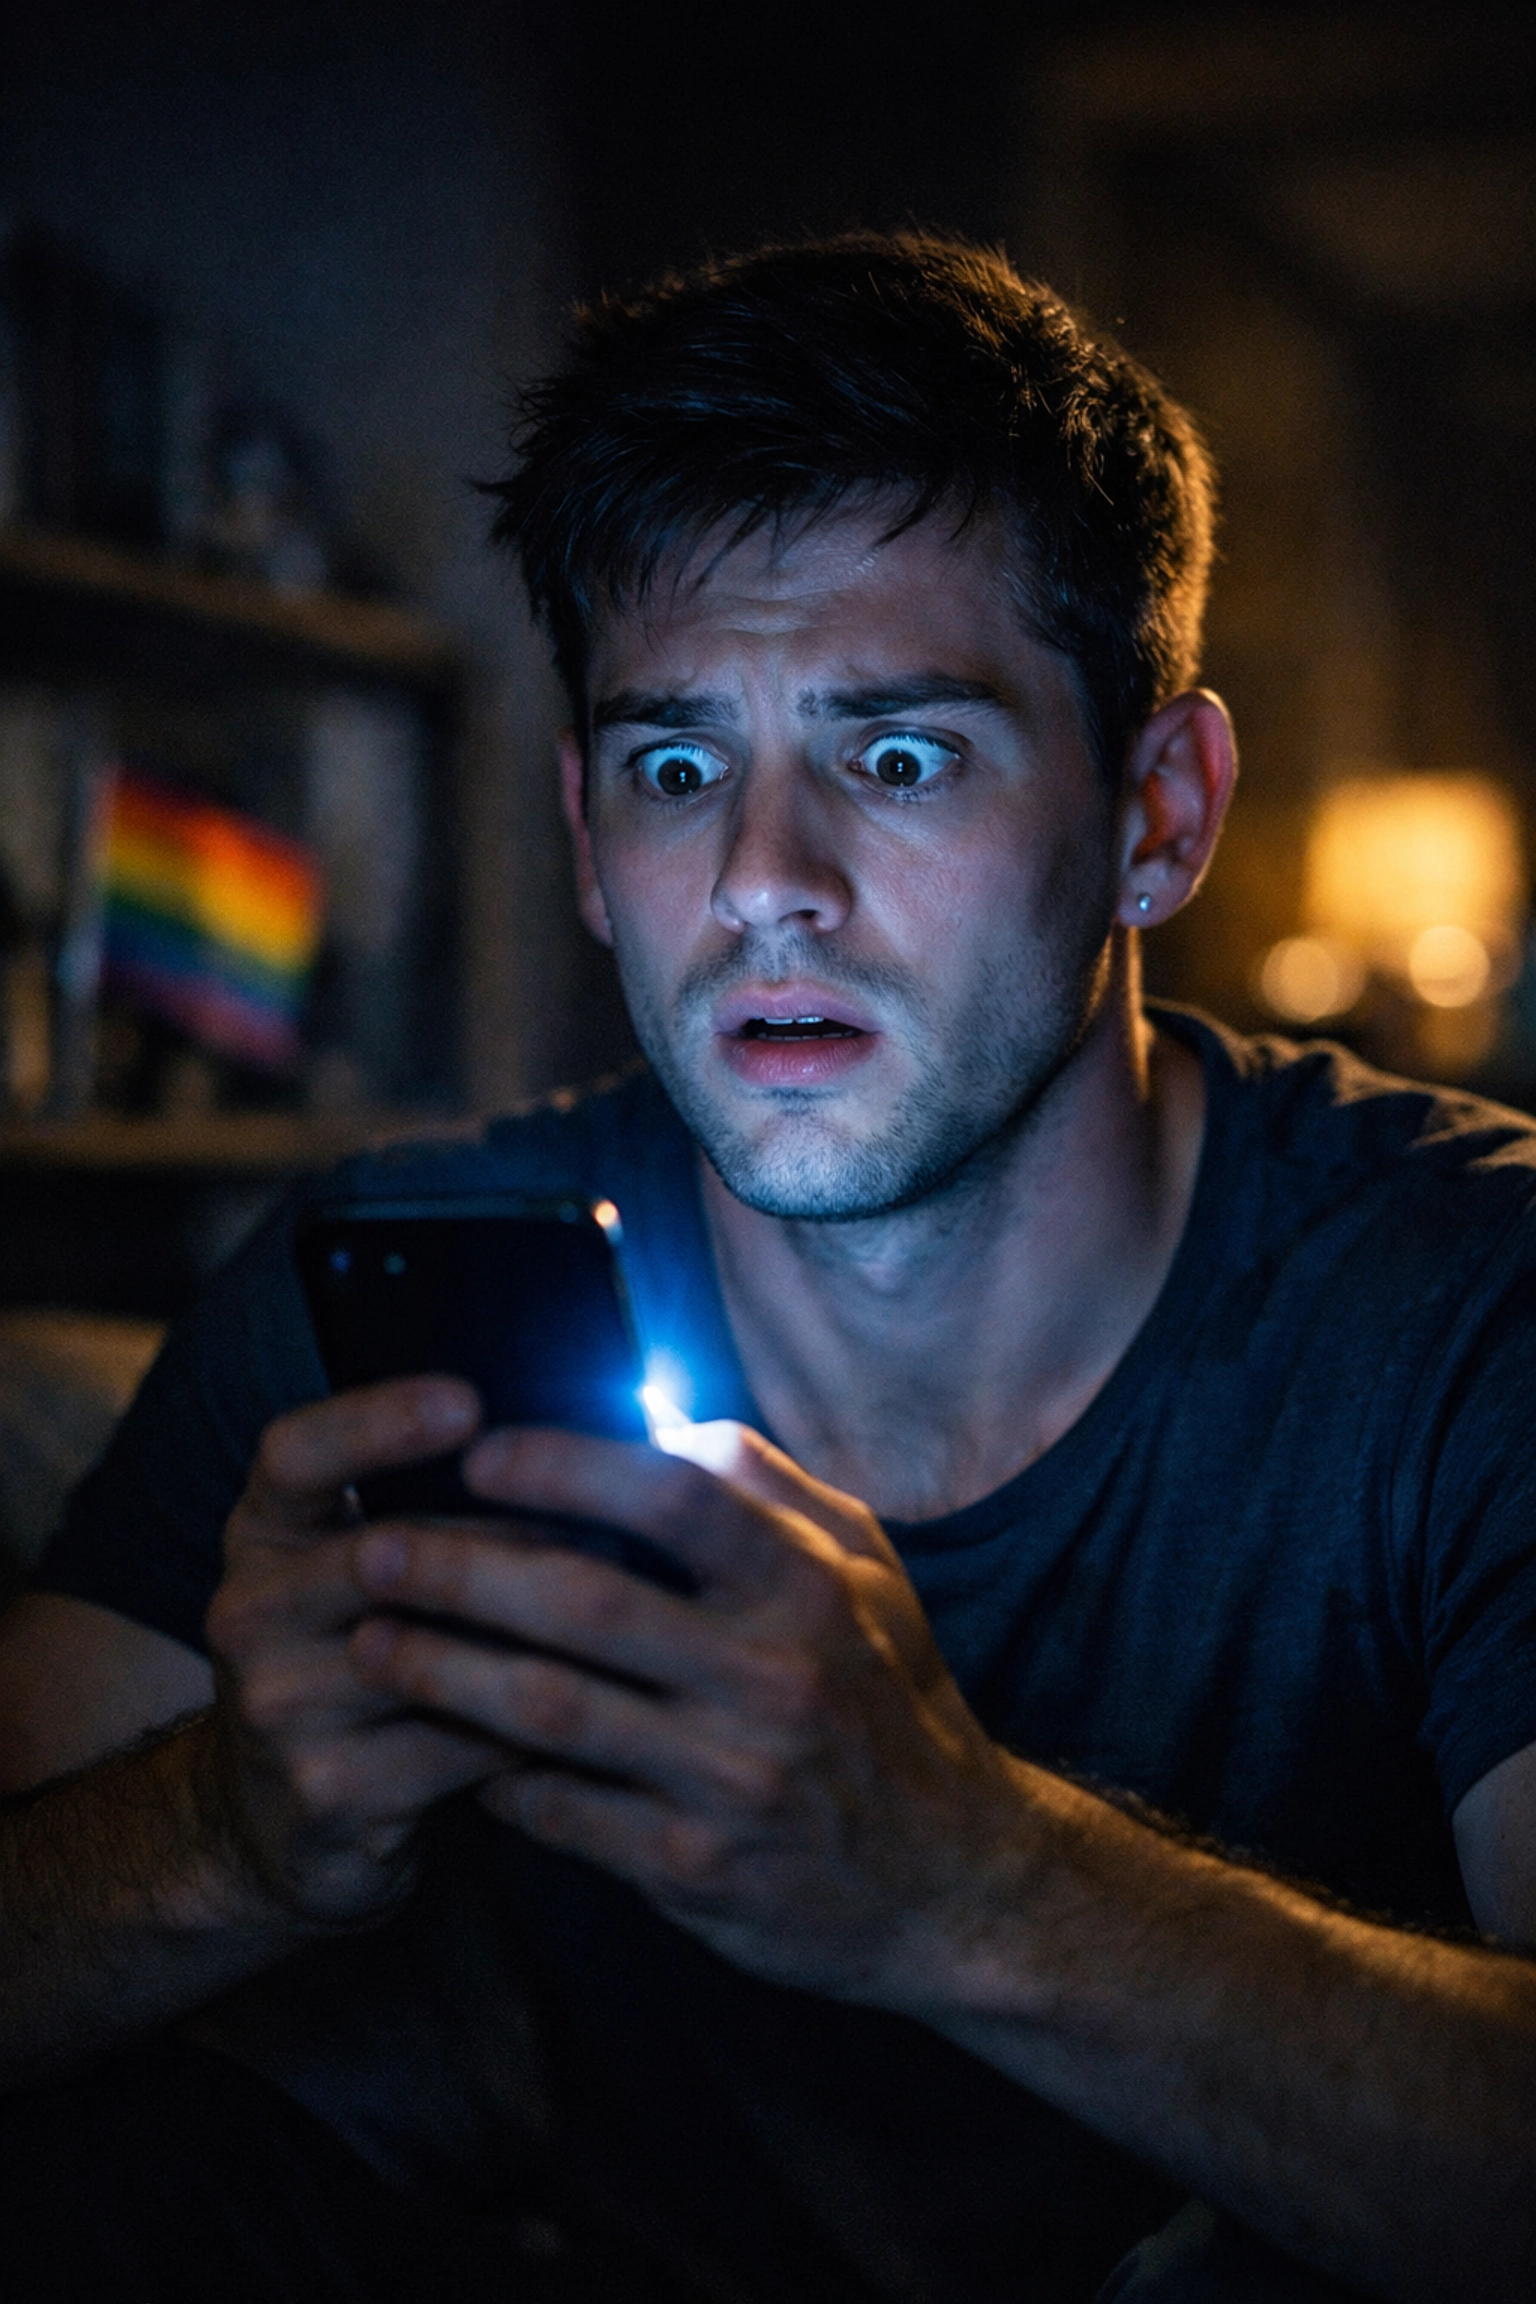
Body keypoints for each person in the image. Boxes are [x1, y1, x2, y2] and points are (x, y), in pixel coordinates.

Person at [0, 234, 1533, 2304]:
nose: (762, 886)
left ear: (1156, 814)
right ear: (586, 837)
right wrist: (239, 1838)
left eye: (897, 760)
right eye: (676, 768)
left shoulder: (1469, 1296)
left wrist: (964, 1881)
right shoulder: (384, 1286)